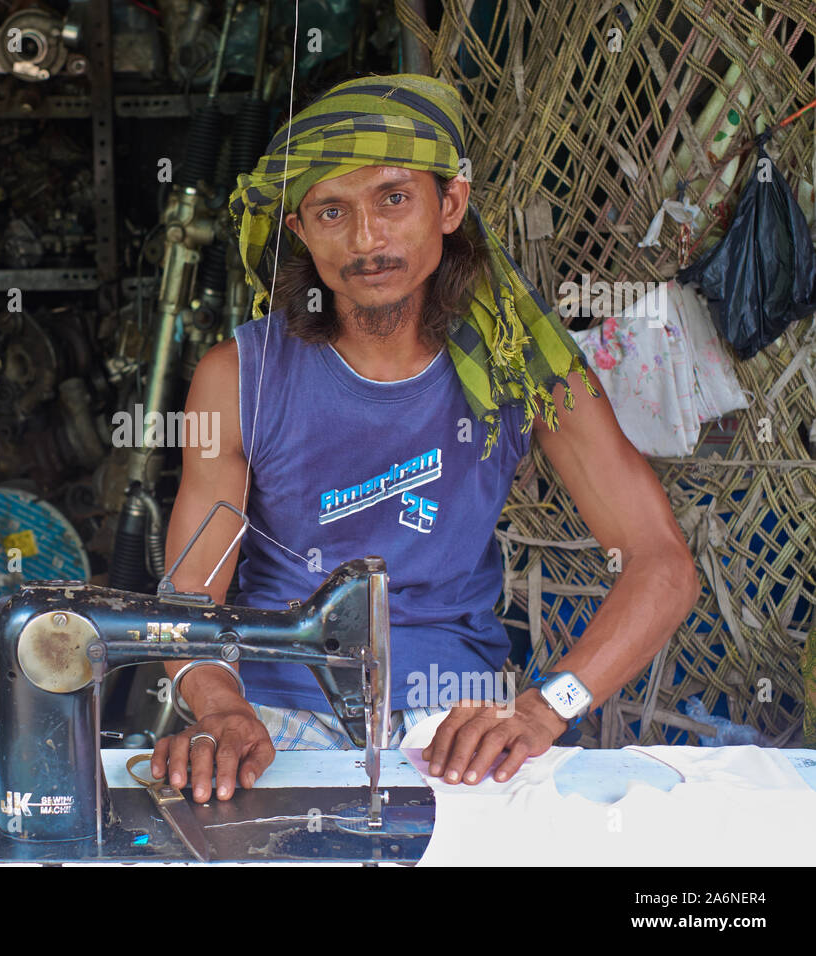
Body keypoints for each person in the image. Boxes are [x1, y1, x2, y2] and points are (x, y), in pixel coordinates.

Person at [150, 74, 700, 802]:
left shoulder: (522, 367)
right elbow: (192, 594)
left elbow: (662, 565)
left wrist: (545, 708)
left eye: (394, 198)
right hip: (274, 711)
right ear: (299, 232)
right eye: (331, 212)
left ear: (451, 204)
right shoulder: (239, 378)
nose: (366, 239)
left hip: (460, 717)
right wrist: (222, 710)